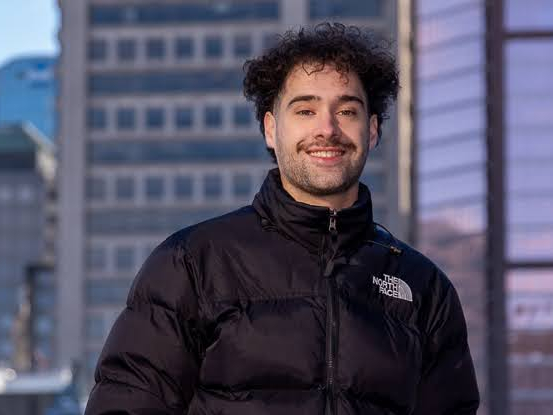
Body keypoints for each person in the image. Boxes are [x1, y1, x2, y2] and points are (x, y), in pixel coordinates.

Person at [84, 23, 480, 414]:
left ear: (372, 130)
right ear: (271, 129)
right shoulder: (193, 262)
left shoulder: (423, 286)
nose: (327, 129)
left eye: (347, 110)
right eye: (305, 110)